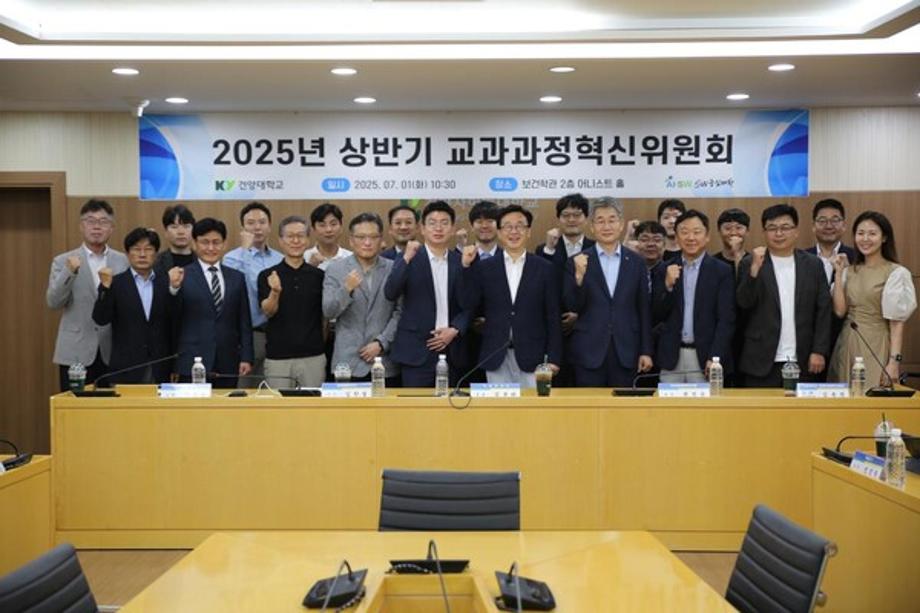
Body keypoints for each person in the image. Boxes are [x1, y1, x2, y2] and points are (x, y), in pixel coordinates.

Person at [462, 205, 562, 387]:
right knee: (498, 406)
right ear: (499, 232)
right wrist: (467, 268)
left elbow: (553, 316)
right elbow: (469, 304)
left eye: (520, 226)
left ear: (529, 232)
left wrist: (554, 358)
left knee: (533, 405)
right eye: (508, 226)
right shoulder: (485, 268)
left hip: (535, 358)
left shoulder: (545, 268)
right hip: (496, 356)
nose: (514, 231)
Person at [736, 204, 832, 387]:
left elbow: (823, 310)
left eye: (785, 227)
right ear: (764, 232)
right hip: (760, 360)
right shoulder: (750, 263)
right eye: (772, 228)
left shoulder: (813, 265)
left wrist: (819, 350)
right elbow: (743, 304)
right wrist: (754, 271)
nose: (778, 233)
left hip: (804, 359)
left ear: (796, 231)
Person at [564, 198, 653, 387]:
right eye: (600, 221)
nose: (606, 226)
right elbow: (572, 305)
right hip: (588, 351)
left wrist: (646, 350)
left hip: (627, 350)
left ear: (621, 225)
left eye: (612, 220)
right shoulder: (577, 261)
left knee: (624, 404)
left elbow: (644, 309)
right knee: (590, 404)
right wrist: (579, 277)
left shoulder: (637, 262)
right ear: (592, 227)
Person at [384, 200, 470, 386]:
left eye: (444, 223)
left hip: (452, 349)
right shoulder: (408, 258)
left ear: (453, 229)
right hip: (416, 351)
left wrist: (455, 329)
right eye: (432, 223)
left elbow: (471, 304)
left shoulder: (460, 261)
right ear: (422, 229)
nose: (438, 228)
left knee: (452, 403)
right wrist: (406, 259)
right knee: (416, 404)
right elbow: (390, 292)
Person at [47, 199, 129, 391]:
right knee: (74, 406)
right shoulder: (63, 261)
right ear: (81, 226)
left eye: (103, 221)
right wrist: (69, 272)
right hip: (75, 351)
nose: (97, 227)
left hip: (112, 349)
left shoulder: (123, 261)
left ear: (111, 228)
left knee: (110, 407)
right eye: (91, 221)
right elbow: (53, 302)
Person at [828, 211, 916, 386]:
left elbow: (896, 323)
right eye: (860, 233)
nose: (865, 239)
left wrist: (894, 362)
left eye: (872, 233)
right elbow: (839, 311)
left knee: (872, 394)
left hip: (877, 343)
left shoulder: (896, 272)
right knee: (844, 398)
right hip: (847, 343)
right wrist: (838, 273)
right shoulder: (849, 271)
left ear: (884, 238)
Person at [651, 210, 735, 383]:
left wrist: (715, 356)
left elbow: (726, 320)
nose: (691, 237)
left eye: (697, 232)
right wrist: (667, 286)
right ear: (676, 236)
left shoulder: (722, 271)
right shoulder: (664, 269)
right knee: (668, 401)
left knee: (705, 402)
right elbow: (655, 314)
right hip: (671, 357)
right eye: (684, 232)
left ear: (707, 236)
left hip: (705, 357)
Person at [171, 218, 253, 388]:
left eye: (216, 242)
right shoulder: (182, 275)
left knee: (226, 404)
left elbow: (244, 320)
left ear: (224, 244)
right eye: (205, 242)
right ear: (195, 244)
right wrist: (173, 289)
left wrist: (246, 357)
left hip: (228, 361)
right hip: (192, 361)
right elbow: (172, 317)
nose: (210, 248)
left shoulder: (236, 277)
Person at [323, 213, 402, 385]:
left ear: (381, 240)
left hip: (384, 362)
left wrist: (381, 343)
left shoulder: (393, 268)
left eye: (373, 237)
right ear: (351, 241)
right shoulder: (335, 269)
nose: (367, 242)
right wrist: (346, 289)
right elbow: (328, 311)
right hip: (347, 363)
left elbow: (400, 312)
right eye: (361, 237)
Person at [92, 228, 175, 384]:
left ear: (156, 254)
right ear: (128, 253)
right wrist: (105, 288)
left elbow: (175, 322)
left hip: (160, 365)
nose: (142, 254)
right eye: (136, 249)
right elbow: (100, 319)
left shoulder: (166, 282)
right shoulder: (116, 283)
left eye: (148, 249)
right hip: (126, 366)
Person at [257, 216, 326, 388]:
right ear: (281, 240)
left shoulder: (319, 276)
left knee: (314, 403)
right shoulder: (267, 275)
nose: (295, 241)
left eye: (300, 236)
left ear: (308, 239)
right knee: (279, 405)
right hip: (278, 357)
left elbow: (324, 317)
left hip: (313, 357)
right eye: (290, 236)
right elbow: (268, 311)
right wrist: (275, 291)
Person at [223, 202, 283, 377]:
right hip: (249, 334)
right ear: (243, 228)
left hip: (277, 333)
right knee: (246, 388)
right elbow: (240, 287)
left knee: (273, 387)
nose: (257, 227)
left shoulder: (279, 258)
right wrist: (246, 251)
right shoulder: (232, 258)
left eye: (262, 222)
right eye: (251, 223)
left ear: (269, 226)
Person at [806, 198, 856, 285]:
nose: (829, 226)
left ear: (844, 225)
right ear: (813, 226)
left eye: (835, 220)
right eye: (822, 221)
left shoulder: (856, 258)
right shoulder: (801, 259)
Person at [304, 202, 353, 271]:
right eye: (322, 225)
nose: (328, 230)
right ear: (313, 229)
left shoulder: (351, 258)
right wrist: (310, 267)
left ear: (341, 227)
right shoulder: (304, 257)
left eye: (333, 224)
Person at [154, 204, 196, 274]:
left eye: (186, 226)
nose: (181, 232)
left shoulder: (202, 260)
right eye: (174, 227)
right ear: (166, 232)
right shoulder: (156, 262)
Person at [712, 208, 750, 277]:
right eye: (727, 228)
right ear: (719, 231)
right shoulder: (712, 263)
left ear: (747, 231)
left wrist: (737, 254)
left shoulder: (754, 262)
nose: (733, 233)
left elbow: (744, 283)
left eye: (738, 228)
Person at [633, 220, 667, 293]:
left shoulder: (670, 272)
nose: (651, 244)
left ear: (665, 245)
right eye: (644, 240)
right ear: (635, 244)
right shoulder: (627, 272)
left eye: (657, 240)